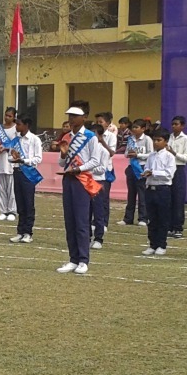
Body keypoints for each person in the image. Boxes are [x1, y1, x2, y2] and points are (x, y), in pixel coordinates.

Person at [57, 103, 104, 274]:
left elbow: (95, 161)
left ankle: (83, 260)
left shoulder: (90, 137)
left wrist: (79, 169)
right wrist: (63, 154)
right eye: (69, 116)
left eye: (75, 116)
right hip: (68, 179)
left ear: (84, 118)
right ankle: (73, 259)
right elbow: (61, 163)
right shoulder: (66, 136)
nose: (71, 119)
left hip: (82, 180)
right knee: (69, 221)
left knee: (81, 221)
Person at [140, 128, 176, 256]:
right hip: (150, 189)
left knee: (162, 218)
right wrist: (146, 172)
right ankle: (152, 244)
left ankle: (161, 244)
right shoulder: (151, 155)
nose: (156, 142)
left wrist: (153, 173)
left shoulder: (169, 157)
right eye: (154, 140)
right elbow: (147, 168)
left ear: (166, 142)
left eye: (159, 140)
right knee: (152, 219)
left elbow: (169, 174)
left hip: (162, 189)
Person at [8, 114, 43, 243]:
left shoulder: (34, 139)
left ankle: (28, 232)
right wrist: (14, 158)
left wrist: (23, 160)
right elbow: (9, 157)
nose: (16, 126)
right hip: (17, 172)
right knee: (20, 203)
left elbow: (38, 158)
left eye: (19, 124)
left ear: (26, 125)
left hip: (28, 173)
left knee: (28, 203)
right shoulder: (15, 140)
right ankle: (20, 231)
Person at [90, 112, 117, 249]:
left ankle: (99, 237)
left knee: (99, 208)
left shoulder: (104, 148)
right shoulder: (88, 148)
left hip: (98, 180)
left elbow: (102, 168)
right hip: (87, 181)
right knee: (87, 210)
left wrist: (87, 169)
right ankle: (87, 236)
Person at [120, 118, 152, 227]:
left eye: (136, 127)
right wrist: (128, 154)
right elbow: (125, 153)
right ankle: (128, 218)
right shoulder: (130, 139)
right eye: (133, 127)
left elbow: (151, 154)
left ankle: (143, 218)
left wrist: (138, 155)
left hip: (141, 167)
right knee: (131, 194)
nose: (134, 129)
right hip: (131, 167)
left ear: (143, 129)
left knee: (142, 195)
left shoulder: (147, 139)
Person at [0, 107, 19, 223]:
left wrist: (7, 148)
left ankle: (12, 211)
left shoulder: (16, 128)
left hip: (11, 161)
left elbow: (18, 145)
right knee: (1, 189)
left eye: (9, 116)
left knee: (11, 189)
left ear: (14, 117)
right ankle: (3, 211)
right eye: (6, 115)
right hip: (1, 161)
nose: (7, 118)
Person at [167, 116, 187, 239]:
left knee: (178, 199)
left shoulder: (186, 139)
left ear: (182, 126)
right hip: (168, 169)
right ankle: (169, 226)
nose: (173, 126)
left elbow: (186, 158)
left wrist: (174, 153)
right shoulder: (169, 137)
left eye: (176, 124)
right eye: (172, 124)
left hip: (179, 168)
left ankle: (178, 227)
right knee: (168, 199)